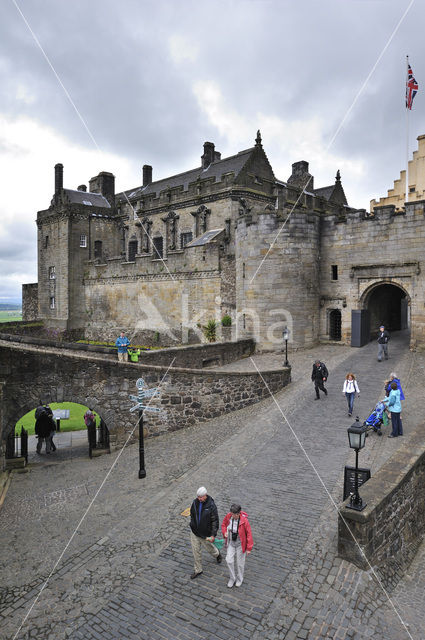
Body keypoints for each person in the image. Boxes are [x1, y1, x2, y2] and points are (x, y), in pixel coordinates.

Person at [189, 486, 221, 579]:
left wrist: (213, 534)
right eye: (198, 497)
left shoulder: (211, 505)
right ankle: (198, 570)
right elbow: (192, 513)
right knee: (196, 552)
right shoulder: (195, 502)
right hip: (195, 532)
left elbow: (215, 521)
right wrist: (192, 523)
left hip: (205, 534)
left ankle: (217, 554)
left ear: (205, 495)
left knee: (210, 549)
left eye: (200, 497)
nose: (199, 499)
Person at [221, 503, 253, 588]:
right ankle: (232, 578)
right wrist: (225, 532)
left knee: (240, 563)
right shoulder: (228, 516)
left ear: (238, 514)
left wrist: (249, 548)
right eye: (231, 513)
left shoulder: (244, 521)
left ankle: (239, 579)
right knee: (229, 560)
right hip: (231, 542)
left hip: (240, 544)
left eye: (233, 514)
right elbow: (223, 525)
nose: (231, 515)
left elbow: (249, 534)